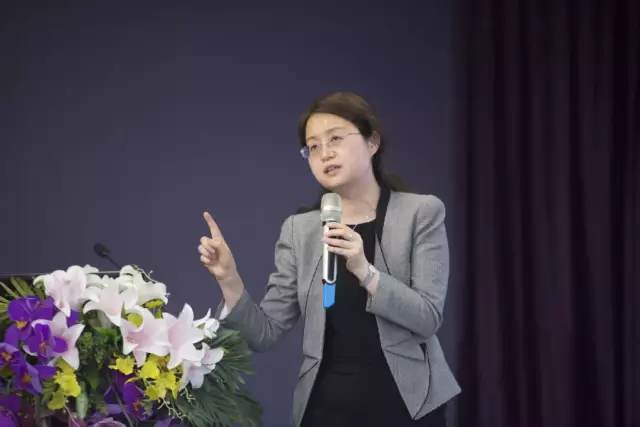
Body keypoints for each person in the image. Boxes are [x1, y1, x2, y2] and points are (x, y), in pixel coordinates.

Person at [197, 92, 460, 426]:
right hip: (327, 406)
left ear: (372, 142)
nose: (325, 153)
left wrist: (366, 272)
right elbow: (264, 333)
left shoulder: (420, 213)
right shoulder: (300, 230)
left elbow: (428, 318)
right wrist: (229, 278)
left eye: (335, 139)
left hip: (408, 403)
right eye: (313, 146)